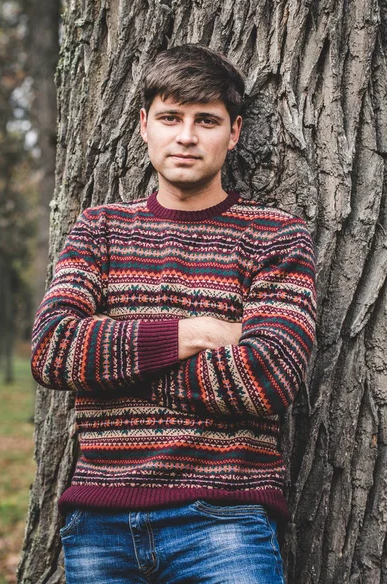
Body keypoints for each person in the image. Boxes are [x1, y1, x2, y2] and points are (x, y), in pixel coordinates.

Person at [31, 44, 317, 584]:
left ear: (233, 133)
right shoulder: (100, 229)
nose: (186, 136)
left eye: (206, 120)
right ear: (144, 126)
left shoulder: (275, 236)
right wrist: (199, 333)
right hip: (99, 522)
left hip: (225, 522)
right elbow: (52, 350)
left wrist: (113, 371)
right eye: (170, 118)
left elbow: (269, 376)